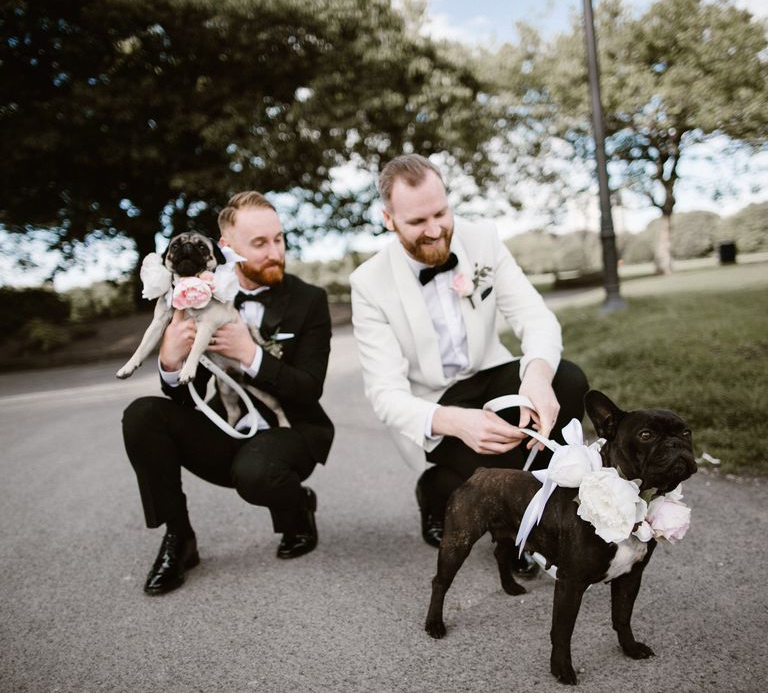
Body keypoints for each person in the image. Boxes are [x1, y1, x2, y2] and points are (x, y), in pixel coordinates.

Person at [350, 154, 588, 574]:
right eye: (417, 221)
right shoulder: (368, 283)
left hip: (489, 373)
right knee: (490, 467)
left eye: (441, 213)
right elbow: (385, 395)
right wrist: (459, 423)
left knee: (567, 379)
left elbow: (535, 317)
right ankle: (443, 492)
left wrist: (536, 376)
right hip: (434, 404)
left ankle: (527, 517)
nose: (436, 229)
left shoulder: (483, 240)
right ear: (388, 219)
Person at [122, 191, 334, 595]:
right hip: (225, 430)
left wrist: (251, 354)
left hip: (289, 432)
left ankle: (296, 507)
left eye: (279, 239)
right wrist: (169, 362)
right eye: (259, 243)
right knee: (142, 415)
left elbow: (309, 389)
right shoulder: (195, 298)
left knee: (258, 472)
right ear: (226, 248)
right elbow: (188, 398)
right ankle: (179, 538)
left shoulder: (310, 300)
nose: (275, 252)